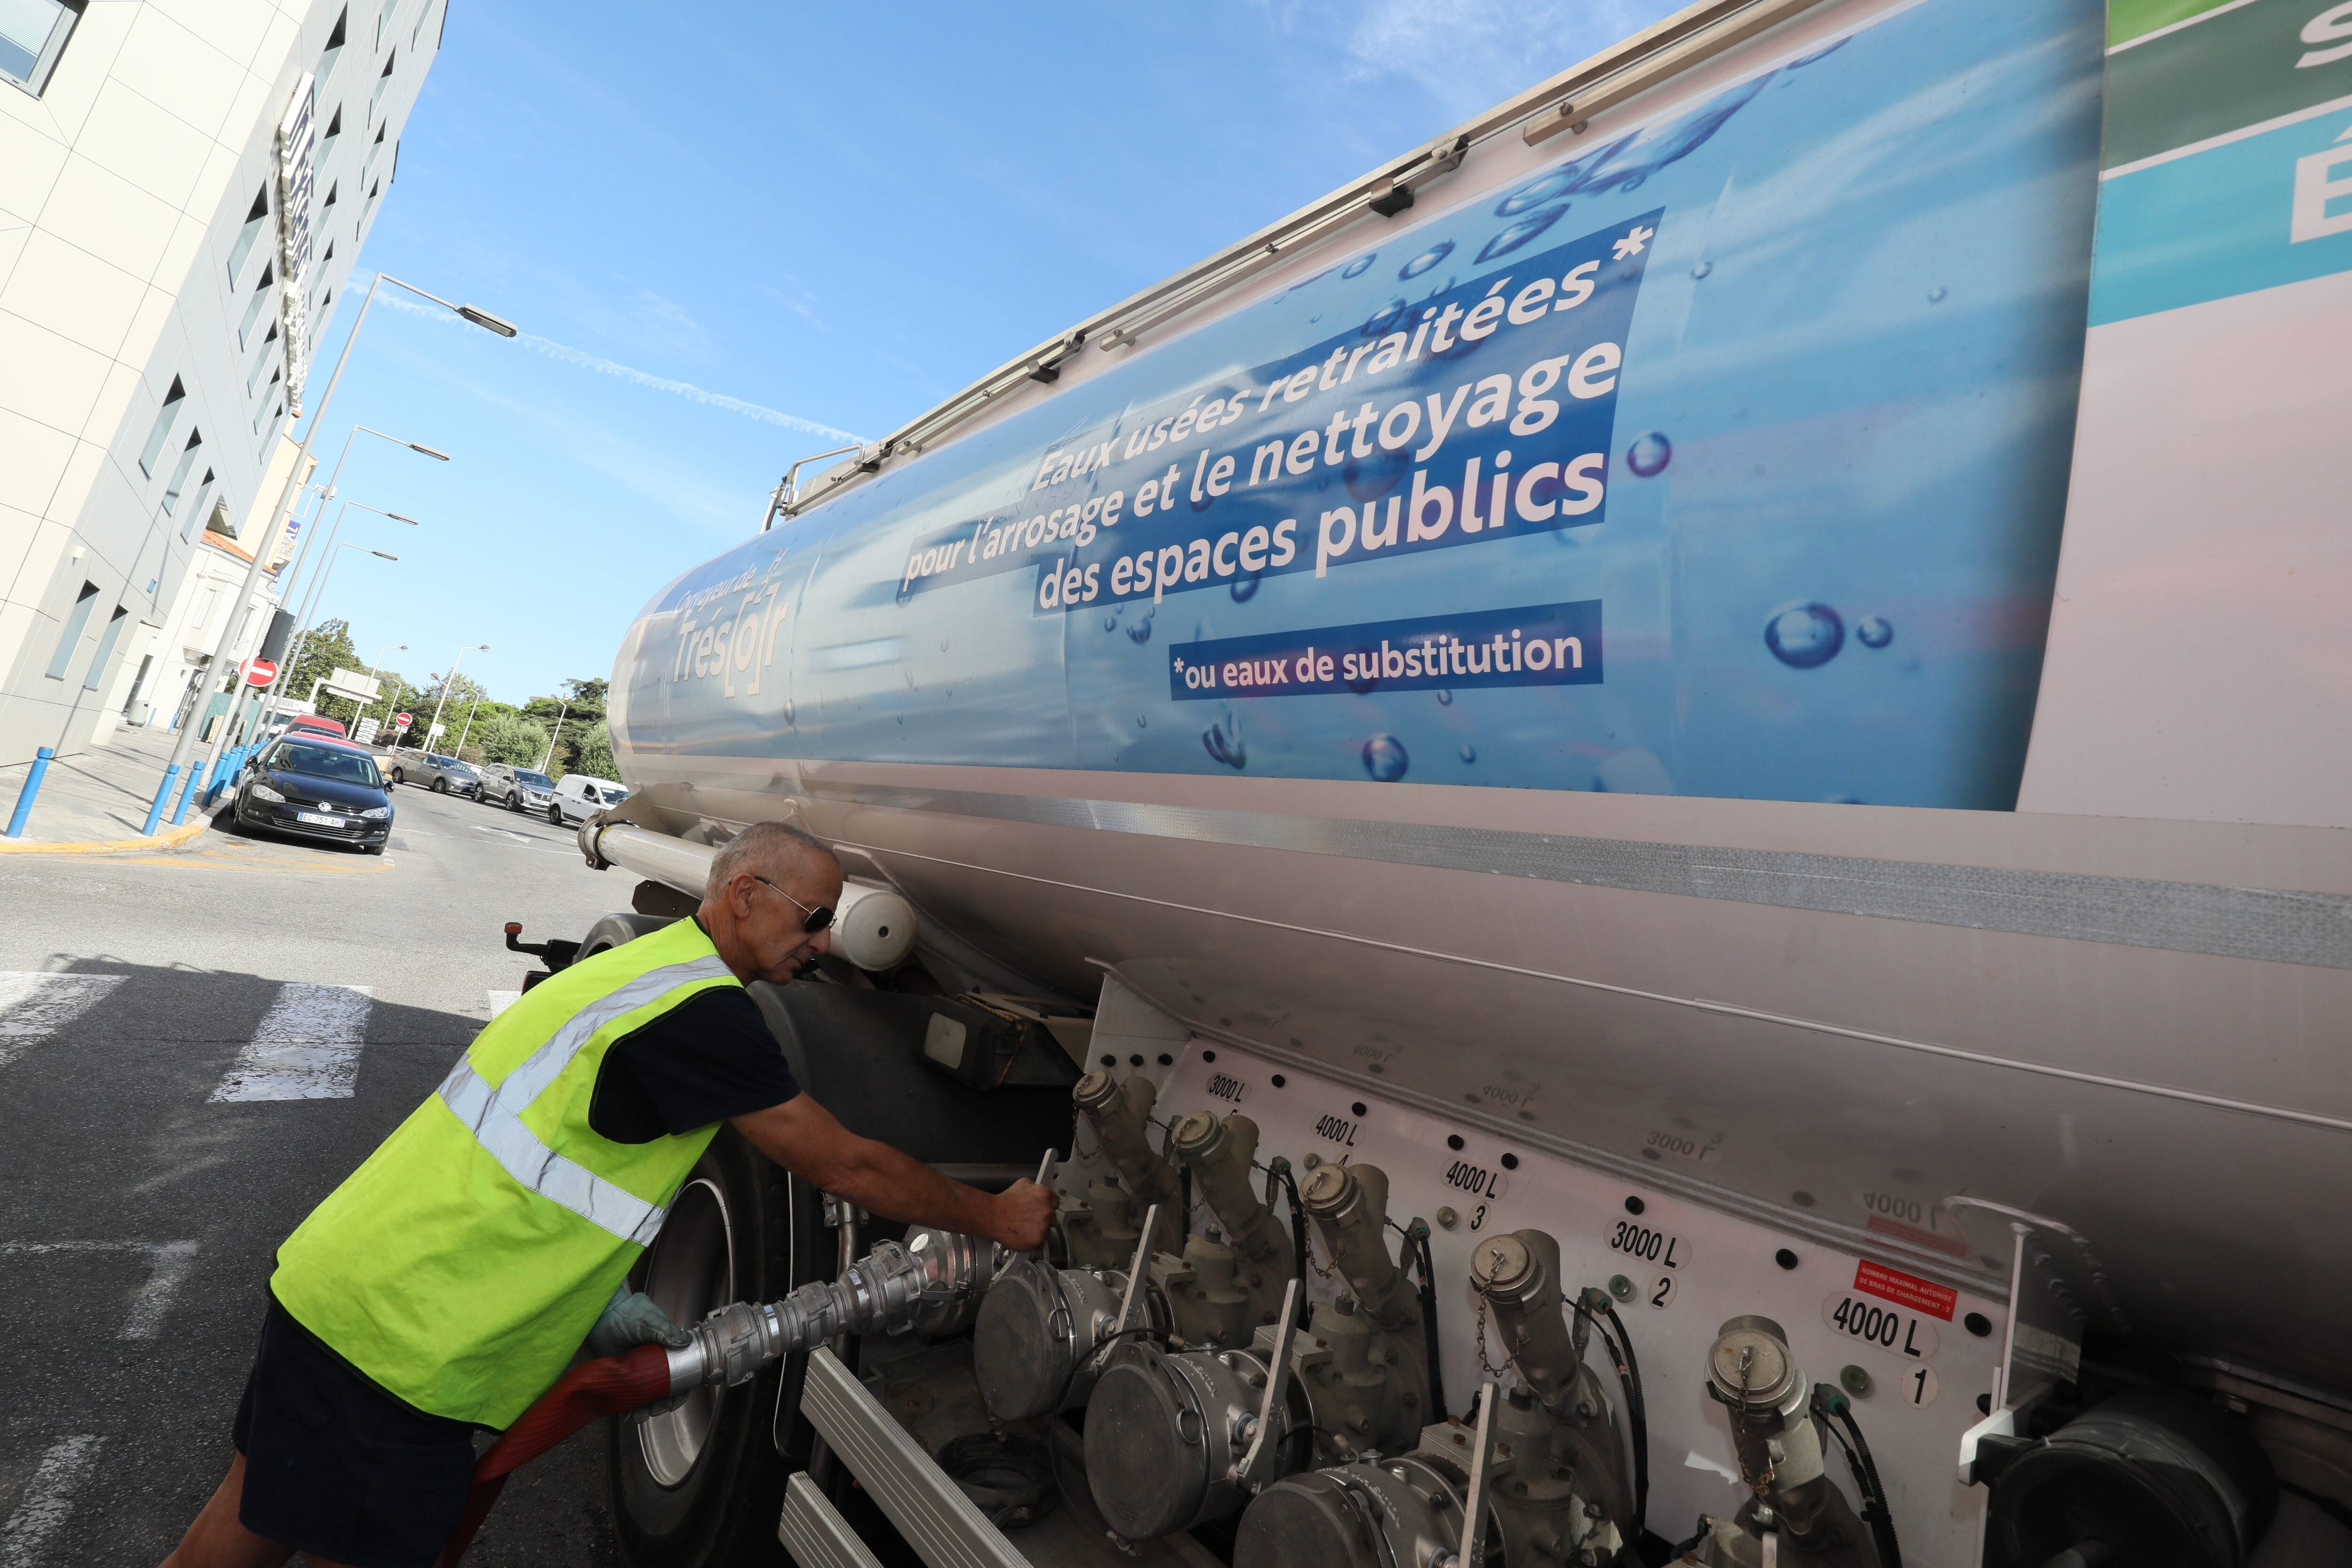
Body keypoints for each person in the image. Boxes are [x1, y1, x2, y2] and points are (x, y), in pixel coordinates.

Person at [163, 820, 1057, 1568]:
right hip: (408, 1342)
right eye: (815, 916)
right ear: (745, 893)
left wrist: (594, 1300)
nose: (825, 942)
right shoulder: (705, 1014)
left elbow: (554, 1148)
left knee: (246, 1522)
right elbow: (846, 1168)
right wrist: (994, 1214)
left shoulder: (649, 966)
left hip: (342, 1285)